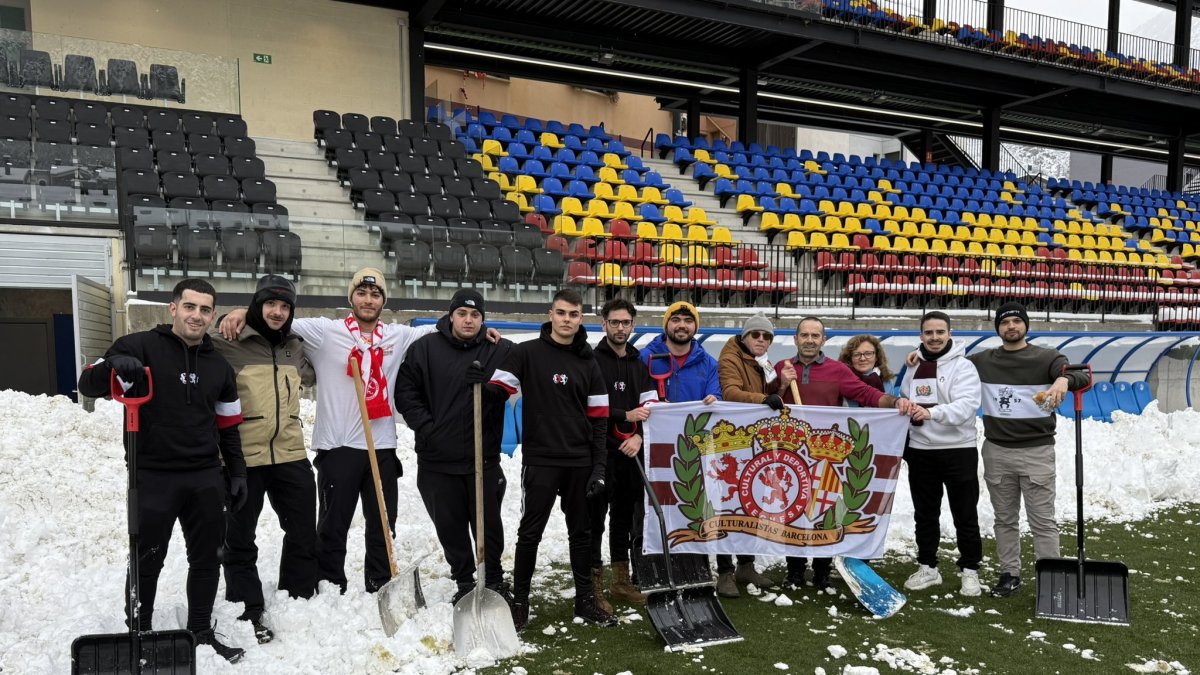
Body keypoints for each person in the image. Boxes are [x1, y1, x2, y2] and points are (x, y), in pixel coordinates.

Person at [219, 268, 498, 593]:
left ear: (383, 301)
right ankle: (330, 581)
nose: (369, 300)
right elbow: (275, 318)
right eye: (362, 293)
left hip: (381, 445)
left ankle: (380, 581)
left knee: (383, 522)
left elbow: (444, 328)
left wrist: (483, 330)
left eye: (376, 294)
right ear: (351, 298)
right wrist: (240, 312)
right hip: (338, 445)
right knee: (333, 524)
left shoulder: (397, 336)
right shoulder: (325, 332)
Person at [78, 279, 248, 663]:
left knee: (207, 558)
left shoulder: (219, 365)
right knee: (147, 559)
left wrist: (236, 472)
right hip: (152, 475)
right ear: (173, 308)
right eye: (190, 307)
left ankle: (201, 632)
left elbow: (229, 426)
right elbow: (87, 383)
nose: (197, 316)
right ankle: (139, 633)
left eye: (206, 310)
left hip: (204, 476)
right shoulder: (139, 347)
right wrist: (112, 368)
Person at [484, 289, 612, 631]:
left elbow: (600, 420)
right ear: (550, 314)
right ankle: (521, 603)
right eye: (561, 313)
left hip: (580, 462)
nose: (567, 319)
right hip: (540, 461)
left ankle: (584, 601)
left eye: (573, 314)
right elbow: (498, 390)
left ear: (580, 318)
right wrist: (482, 374)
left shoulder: (589, 362)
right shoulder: (526, 353)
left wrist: (599, 466)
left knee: (581, 534)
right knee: (530, 534)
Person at [774, 317, 916, 591]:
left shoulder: (838, 370)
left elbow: (866, 394)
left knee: (824, 508)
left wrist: (895, 401)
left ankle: (822, 570)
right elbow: (765, 400)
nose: (810, 340)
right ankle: (793, 571)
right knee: (792, 510)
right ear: (795, 339)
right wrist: (780, 385)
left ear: (823, 340)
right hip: (791, 451)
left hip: (824, 453)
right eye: (805, 335)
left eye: (816, 335)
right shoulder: (783, 367)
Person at [212, 274, 316, 644]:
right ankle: (246, 606)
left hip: (290, 452)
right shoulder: (225, 342)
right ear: (256, 305)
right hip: (243, 458)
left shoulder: (295, 346)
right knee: (239, 537)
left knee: (304, 529)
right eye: (270, 304)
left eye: (284, 305)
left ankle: (298, 594)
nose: (277, 311)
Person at [394, 289, 514, 605]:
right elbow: (405, 392)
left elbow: (525, 367)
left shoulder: (496, 350)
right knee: (450, 527)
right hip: (437, 461)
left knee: (488, 525)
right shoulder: (425, 349)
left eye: (475, 315)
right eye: (462, 313)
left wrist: (491, 388)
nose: (468, 320)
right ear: (451, 315)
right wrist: (428, 428)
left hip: (482, 459)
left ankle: (495, 579)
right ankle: (463, 580)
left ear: (483, 319)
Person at [968, 302, 1088, 598]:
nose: (1011, 326)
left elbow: (1083, 375)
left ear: (1026, 326)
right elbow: (947, 365)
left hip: (1037, 451)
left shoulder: (1046, 357)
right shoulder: (982, 360)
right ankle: (1009, 573)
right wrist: (918, 355)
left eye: (1016, 321)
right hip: (996, 450)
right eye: (1005, 322)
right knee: (1004, 518)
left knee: (1042, 520)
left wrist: (1063, 378)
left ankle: (1052, 576)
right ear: (997, 328)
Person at [897, 311, 984, 597]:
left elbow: (966, 406)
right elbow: (907, 395)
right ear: (921, 336)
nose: (934, 338)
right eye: (928, 333)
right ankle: (928, 567)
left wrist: (931, 413)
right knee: (925, 514)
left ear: (949, 334)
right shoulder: (913, 364)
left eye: (939, 332)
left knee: (965, 513)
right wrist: (908, 407)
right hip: (921, 451)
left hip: (958, 450)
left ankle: (970, 570)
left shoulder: (964, 367)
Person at [589, 298, 658, 612]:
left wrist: (640, 437)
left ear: (633, 325)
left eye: (625, 323)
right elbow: (588, 407)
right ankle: (591, 586)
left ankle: (620, 581)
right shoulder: (590, 360)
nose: (620, 328)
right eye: (614, 322)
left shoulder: (638, 362)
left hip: (630, 453)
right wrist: (624, 415)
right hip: (599, 453)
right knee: (594, 521)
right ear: (604, 324)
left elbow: (650, 409)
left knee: (623, 519)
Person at [713, 313, 783, 598]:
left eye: (767, 336)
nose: (762, 340)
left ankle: (746, 564)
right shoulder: (730, 358)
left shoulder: (760, 361)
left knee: (749, 503)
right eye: (756, 335)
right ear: (745, 336)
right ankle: (725, 571)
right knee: (727, 507)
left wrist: (775, 388)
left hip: (752, 439)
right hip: (732, 440)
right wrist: (763, 399)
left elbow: (767, 391)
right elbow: (730, 392)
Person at [638, 301, 719, 405]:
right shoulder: (643, 358)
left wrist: (715, 400)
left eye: (688, 321)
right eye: (675, 320)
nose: (682, 325)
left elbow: (716, 394)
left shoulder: (710, 365)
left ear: (695, 327)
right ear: (666, 325)